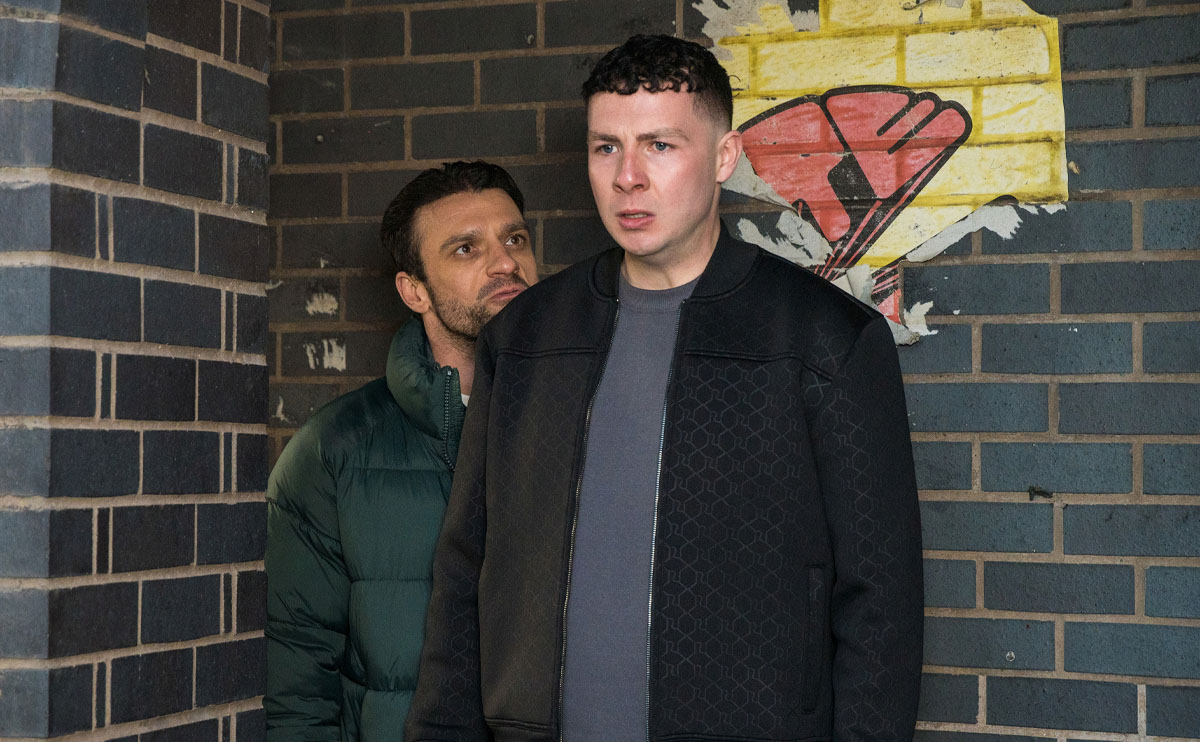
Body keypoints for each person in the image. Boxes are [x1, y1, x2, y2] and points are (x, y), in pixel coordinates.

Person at [405, 35, 923, 742]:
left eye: (659, 145)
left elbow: (881, 604)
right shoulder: (525, 338)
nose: (628, 177)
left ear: (724, 157)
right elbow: (466, 568)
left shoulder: (825, 338)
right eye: (606, 148)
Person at [264, 161, 537, 742]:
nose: (505, 262)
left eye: (515, 239)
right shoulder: (334, 451)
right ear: (414, 290)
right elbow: (296, 682)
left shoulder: (590, 420)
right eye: (466, 249)